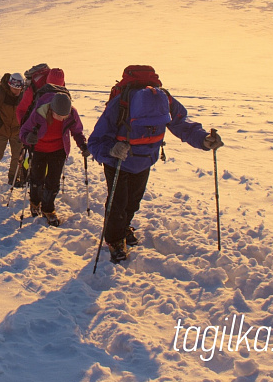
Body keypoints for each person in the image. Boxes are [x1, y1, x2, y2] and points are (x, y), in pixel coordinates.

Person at [87, 68, 223, 263]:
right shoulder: (120, 104)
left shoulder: (164, 100)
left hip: (144, 159)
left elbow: (181, 123)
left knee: (134, 200)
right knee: (118, 202)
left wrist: (203, 139)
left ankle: (124, 227)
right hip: (118, 161)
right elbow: (95, 141)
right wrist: (111, 150)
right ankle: (115, 239)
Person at [19, 82, 87, 227]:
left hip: (58, 150)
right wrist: (29, 138)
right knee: (37, 179)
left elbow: (77, 131)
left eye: (65, 116)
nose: (62, 118)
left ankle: (48, 209)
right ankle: (35, 202)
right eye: (59, 115)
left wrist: (82, 144)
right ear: (51, 110)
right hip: (39, 149)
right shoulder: (39, 112)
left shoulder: (71, 113)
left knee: (53, 182)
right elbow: (23, 132)